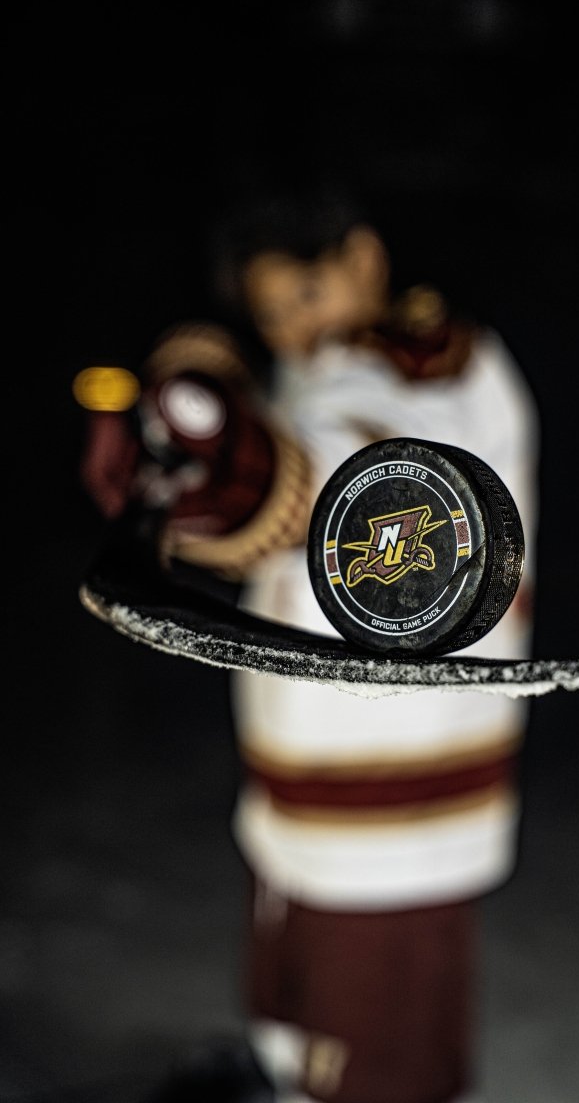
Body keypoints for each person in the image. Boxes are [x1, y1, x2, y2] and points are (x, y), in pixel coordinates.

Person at [78, 174, 540, 1103]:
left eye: (304, 294)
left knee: (379, 1072)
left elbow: (352, 480)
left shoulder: (438, 367)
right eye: (270, 314)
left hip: (397, 824)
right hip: (304, 805)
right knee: (296, 1040)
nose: (290, 328)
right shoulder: (315, 373)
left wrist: (219, 462)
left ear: (362, 259)